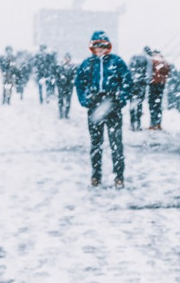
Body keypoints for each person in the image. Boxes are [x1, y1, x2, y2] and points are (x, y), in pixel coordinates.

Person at [74, 31, 133, 188]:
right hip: (95, 106)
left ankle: (119, 176)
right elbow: (79, 82)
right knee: (96, 143)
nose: (100, 50)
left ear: (108, 47)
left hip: (112, 105)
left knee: (116, 143)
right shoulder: (88, 64)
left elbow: (127, 80)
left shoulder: (116, 62)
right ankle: (96, 175)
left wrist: (121, 98)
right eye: (96, 46)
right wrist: (85, 100)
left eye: (103, 46)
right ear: (92, 47)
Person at [146, 47, 171, 130]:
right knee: (158, 104)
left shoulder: (152, 60)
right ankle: (158, 123)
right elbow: (168, 72)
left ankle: (152, 124)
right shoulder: (164, 60)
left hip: (153, 84)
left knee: (152, 104)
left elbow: (148, 71)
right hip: (161, 84)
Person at [128, 54, 149, 131]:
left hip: (132, 90)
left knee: (132, 107)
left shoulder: (131, 70)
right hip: (140, 90)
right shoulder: (143, 70)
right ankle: (138, 124)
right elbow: (145, 82)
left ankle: (132, 124)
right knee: (139, 107)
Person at [55, 53, 76, 119]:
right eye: (66, 58)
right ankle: (61, 113)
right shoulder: (60, 67)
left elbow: (75, 76)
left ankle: (66, 114)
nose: (67, 59)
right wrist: (59, 82)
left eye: (68, 58)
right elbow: (57, 76)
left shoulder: (73, 67)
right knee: (61, 100)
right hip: (61, 86)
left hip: (69, 86)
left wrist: (72, 81)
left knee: (68, 101)